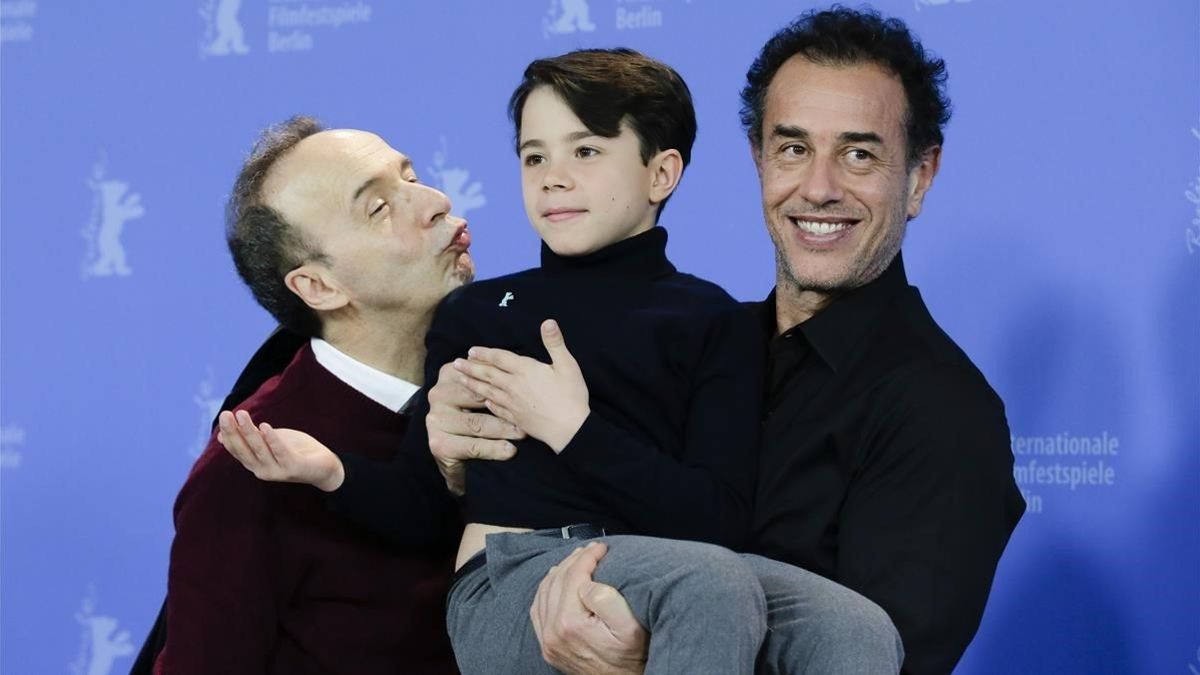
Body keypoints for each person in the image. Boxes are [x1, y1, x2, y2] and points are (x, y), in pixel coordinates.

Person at [221, 49, 903, 675]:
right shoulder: (477, 312)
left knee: (854, 626)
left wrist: (572, 427)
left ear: (661, 171)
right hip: (508, 578)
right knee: (711, 584)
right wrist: (332, 472)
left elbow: (716, 518)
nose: (554, 179)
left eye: (586, 150)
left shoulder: (718, 321)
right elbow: (423, 505)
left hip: (658, 562)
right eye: (533, 157)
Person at [430, 8, 1025, 675]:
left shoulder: (944, 412)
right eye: (793, 148)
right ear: (760, 160)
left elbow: (879, 658)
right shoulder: (700, 337)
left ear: (919, 174)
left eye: (860, 154)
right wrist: (455, 460)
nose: (819, 187)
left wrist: (643, 656)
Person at [153, 116, 472, 674]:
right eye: (378, 207)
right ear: (318, 286)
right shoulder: (255, 464)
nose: (436, 201)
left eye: (413, 178)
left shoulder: (506, 374)